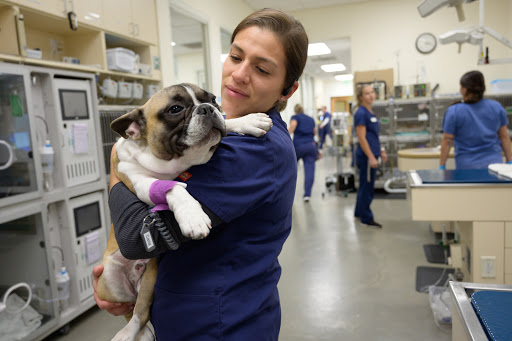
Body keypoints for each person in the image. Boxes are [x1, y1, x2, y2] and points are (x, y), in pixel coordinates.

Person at [93, 8, 309, 341]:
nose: (238, 75)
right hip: (187, 314)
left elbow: (138, 238)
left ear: (287, 90)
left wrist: (118, 165)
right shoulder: (229, 133)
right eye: (235, 56)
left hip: (218, 327)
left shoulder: (253, 152)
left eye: (262, 69)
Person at [439, 70, 512, 169]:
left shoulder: (454, 111)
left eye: (461, 87)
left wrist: (442, 165)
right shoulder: (496, 107)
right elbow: (504, 137)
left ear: (465, 89)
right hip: (494, 167)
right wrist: (509, 161)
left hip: (466, 168)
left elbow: (447, 141)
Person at [353, 84, 387, 228]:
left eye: (372, 92)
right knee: (367, 188)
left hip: (372, 153)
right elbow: (362, 139)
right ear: (361, 97)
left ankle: (359, 212)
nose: (371, 95)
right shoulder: (361, 113)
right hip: (367, 156)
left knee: (364, 185)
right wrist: (371, 157)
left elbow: (373, 136)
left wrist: (382, 150)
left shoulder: (370, 112)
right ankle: (366, 217)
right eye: (367, 93)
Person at [289, 103, 317, 202]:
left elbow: (292, 126)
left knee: (290, 169)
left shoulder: (295, 117)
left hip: (298, 146)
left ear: (295, 111)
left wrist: (285, 137)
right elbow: (314, 132)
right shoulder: (310, 119)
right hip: (311, 145)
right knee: (309, 170)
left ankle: (288, 193)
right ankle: (307, 195)